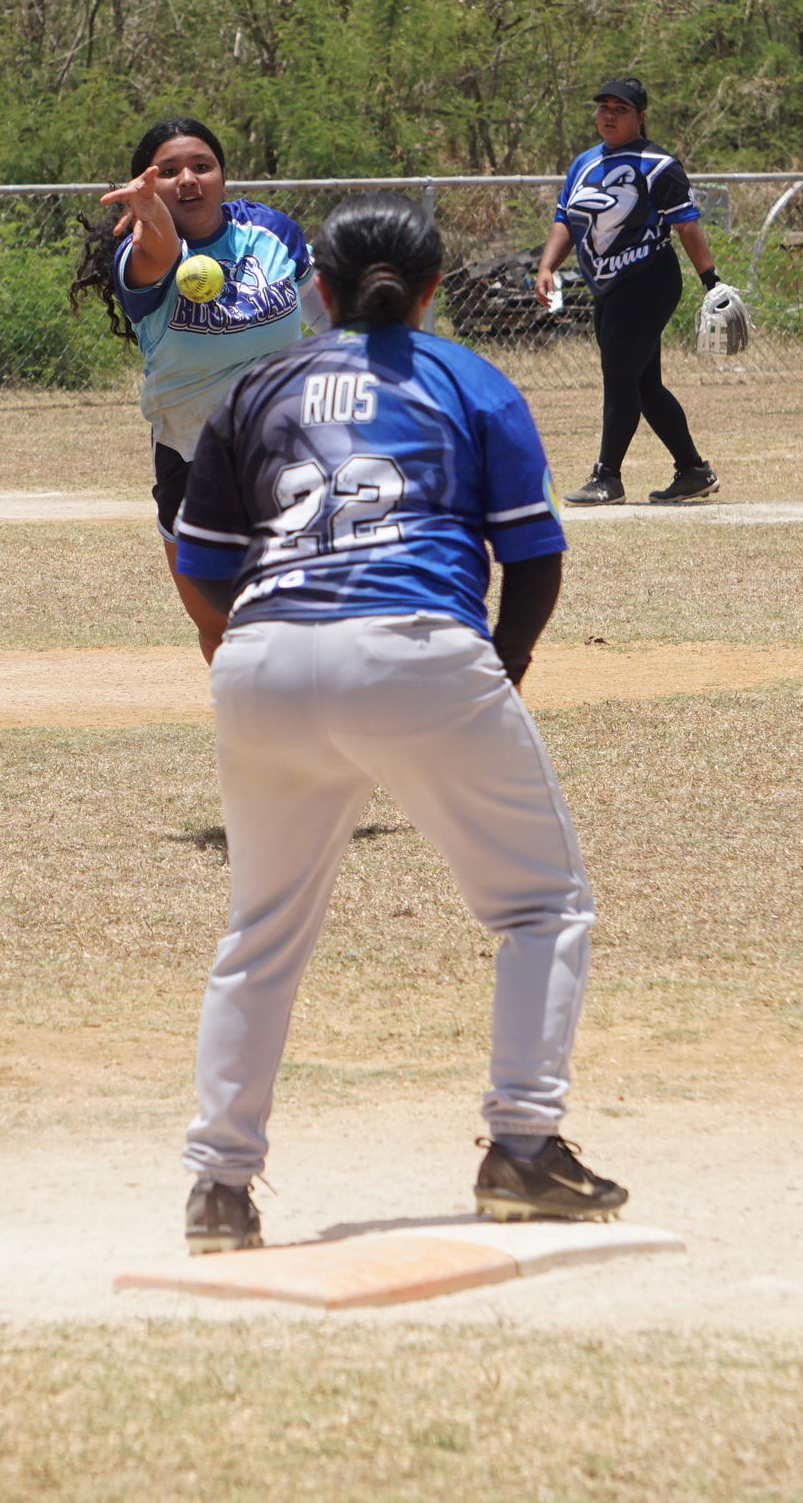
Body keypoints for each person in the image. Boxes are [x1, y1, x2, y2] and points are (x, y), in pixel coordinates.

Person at [172, 191, 627, 1253]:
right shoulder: (467, 377)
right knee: (541, 906)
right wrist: (500, 668)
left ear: (317, 292)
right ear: (430, 291)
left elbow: (198, 566)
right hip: (416, 645)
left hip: (262, 658)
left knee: (261, 934)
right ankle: (521, 1146)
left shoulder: (257, 384)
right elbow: (535, 551)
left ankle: (218, 1187)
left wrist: (257, 651)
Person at [76, 116, 326, 661]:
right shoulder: (138, 253)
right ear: (146, 186)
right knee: (217, 622)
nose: (187, 178)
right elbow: (162, 251)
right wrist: (151, 215)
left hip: (289, 447)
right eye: (167, 172)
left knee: (302, 611)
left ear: (222, 177)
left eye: (201, 166)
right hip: (193, 454)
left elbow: (326, 314)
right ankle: (256, 730)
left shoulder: (271, 231)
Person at [534, 75, 720, 506]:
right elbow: (566, 219)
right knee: (643, 384)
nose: (609, 116)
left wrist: (710, 279)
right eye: (603, 107)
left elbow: (686, 224)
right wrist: (547, 266)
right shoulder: (584, 163)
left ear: (640, 117)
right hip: (608, 285)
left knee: (619, 377)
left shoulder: (657, 165)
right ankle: (692, 470)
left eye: (620, 109)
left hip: (649, 279)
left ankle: (607, 478)